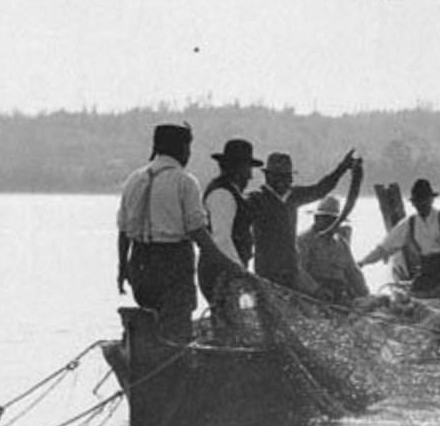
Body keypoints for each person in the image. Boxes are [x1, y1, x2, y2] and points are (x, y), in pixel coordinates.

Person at [116, 123, 243, 342]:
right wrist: (229, 265)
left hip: (139, 264)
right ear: (182, 148)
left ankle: (149, 363)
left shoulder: (133, 180)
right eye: (188, 148)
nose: (189, 154)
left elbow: (124, 232)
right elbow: (198, 233)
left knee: (152, 324)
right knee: (176, 330)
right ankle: (174, 366)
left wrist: (122, 268)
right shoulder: (185, 182)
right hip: (172, 263)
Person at [247, 149, 359, 293]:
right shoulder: (256, 200)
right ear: (268, 176)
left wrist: (342, 168)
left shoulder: (294, 196)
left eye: (287, 177)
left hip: (291, 271)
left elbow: (320, 189)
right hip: (267, 272)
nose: (283, 181)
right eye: (278, 176)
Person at [358, 178, 440, 297]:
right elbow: (385, 248)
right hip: (428, 269)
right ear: (413, 203)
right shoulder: (410, 223)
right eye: (417, 202)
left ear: (431, 200)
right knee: (414, 297)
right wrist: (363, 262)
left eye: (424, 200)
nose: (421, 205)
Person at [198, 138, 263, 306]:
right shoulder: (222, 194)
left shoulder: (230, 191)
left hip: (229, 272)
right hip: (222, 274)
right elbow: (221, 239)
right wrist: (240, 272)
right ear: (238, 169)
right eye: (248, 168)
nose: (250, 175)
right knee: (232, 323)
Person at [297, 196, 369, 304]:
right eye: (325, 218)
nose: (330, 223)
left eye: (334, 220)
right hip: (315, 297)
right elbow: (299, 270)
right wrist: (317, 290)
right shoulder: (304, 240)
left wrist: (364, 292)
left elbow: (352, 270)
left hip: (339, 294)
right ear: (316, 218)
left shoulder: (340, 242)